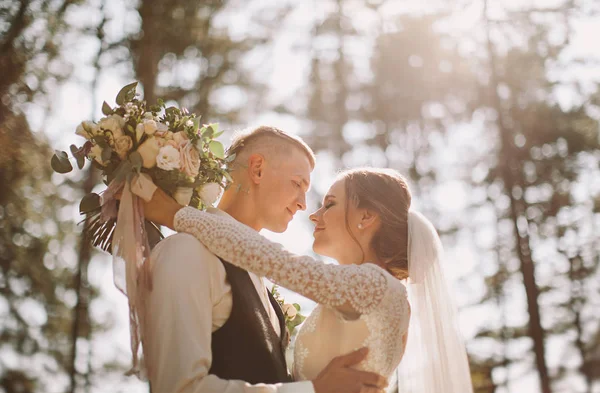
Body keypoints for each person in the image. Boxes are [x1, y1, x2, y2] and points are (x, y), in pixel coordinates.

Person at [145, 166, 474, 393]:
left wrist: (176, 214)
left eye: (329, 204)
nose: (314, 215)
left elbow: (275, 261)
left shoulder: (377, 286)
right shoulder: (376, 295)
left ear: (366, 217)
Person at [141, 126, 388, 393]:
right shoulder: (187, 252)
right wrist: (313, 390)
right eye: (297, 183)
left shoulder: (264, 282)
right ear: (257, 168)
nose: (304, 204)